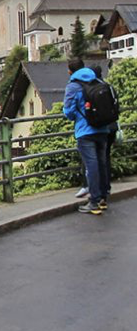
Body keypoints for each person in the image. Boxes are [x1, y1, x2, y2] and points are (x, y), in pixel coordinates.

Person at [63, 57, 111, 215]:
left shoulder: (73, 86)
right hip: (103, 128)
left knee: (92, 166)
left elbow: (68, 112)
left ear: (70, 71)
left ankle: (94, 202)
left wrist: (75, 115)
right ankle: (103, 198)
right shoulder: (97, 80)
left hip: (85, 131)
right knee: (102, 164)